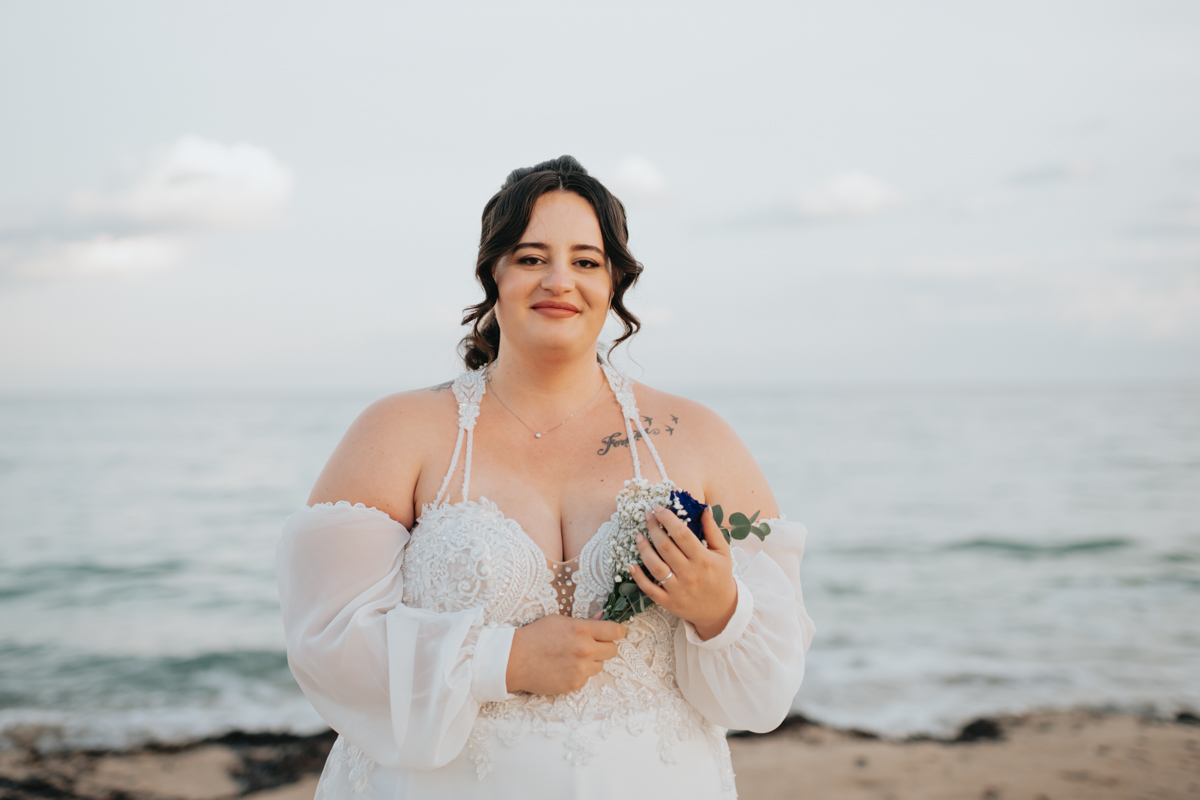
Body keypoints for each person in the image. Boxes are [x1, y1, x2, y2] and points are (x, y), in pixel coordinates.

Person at [276, 156, 816, 799]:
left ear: (615, 281)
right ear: (493, 272)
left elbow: (769, 688)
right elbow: (326, 640)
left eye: (586, 261)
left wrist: (719, 609)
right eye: (532, 258)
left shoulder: (696, 436)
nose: (560, 280)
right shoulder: (399, 431)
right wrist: (501, 661)